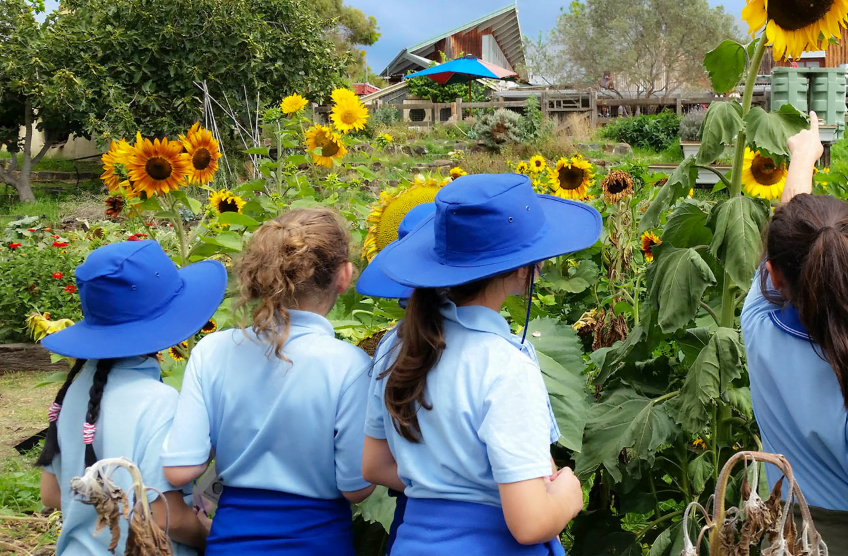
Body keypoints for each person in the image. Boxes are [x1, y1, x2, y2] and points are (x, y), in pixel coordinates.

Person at [361, 173, 599, 555]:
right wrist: (570, 493)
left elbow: (373, 465)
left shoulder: (395, 345)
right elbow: (530, 522)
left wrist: (444, 484)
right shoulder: (504, 364)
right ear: (524, 269)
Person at [740, 112, 848, 554]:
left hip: (783, 536)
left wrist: (802, 157)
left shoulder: (758, 324)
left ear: (773, 276)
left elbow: (785, 236)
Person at [162, 208, 374, 556]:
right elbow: (356, 488)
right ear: (344, 275)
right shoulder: (349, 364)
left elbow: (181, 467)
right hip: (318, 544)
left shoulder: (212, 351)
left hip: (230, 542)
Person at [38, 240, 223, 555]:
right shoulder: (159, 402)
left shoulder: (72, 390)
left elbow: (52, 493)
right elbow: (167, 518)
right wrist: (216, 539)